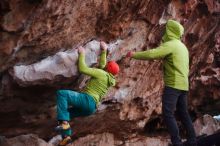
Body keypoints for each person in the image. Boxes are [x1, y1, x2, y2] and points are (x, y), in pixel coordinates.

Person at [126, 20, 197, 146]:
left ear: (170, 31)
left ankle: (177, 142)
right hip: (184, 85)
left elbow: (153, 53)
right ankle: (192, 140)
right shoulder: (183, 47)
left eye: (167, 29)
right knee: (183, 113)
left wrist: (134, 54)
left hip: (173, 84)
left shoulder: (171, 45)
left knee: (168, 113)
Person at [55, 41, 119, 146]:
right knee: (64, 114)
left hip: (87, 100)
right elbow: (102, 66)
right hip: (92, 108)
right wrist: (104, 51)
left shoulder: (101, 73)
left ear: (107, 68)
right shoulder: (109, 79)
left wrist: (82, 54)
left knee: (62, 94)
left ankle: (64, 126)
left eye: (107, 65)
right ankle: (66, 138)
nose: (105, 65)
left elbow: (83, 69)